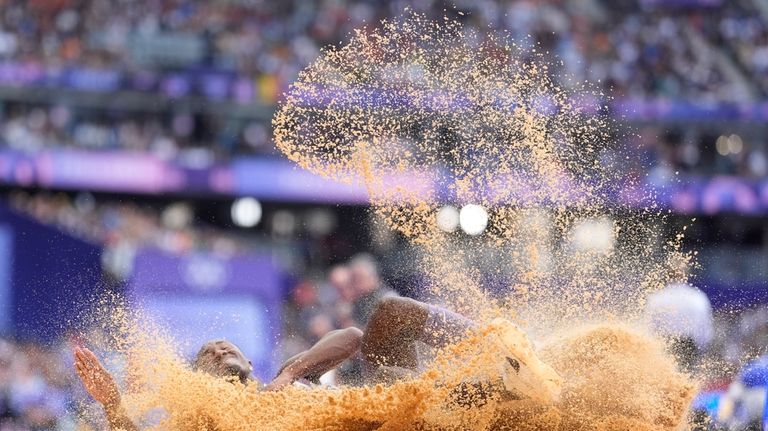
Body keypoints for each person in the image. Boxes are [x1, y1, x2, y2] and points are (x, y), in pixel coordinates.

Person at [76, 298, 561, 429]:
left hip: (393, 409)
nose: (219, 351)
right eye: (208, 354)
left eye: (227, 347)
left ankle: (501, 355)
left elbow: (351, 338)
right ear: (199, 378)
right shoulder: (202, 419)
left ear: (249, 360)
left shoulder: (285, 378)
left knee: (391, 312)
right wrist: (113, 404)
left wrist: (293, 372)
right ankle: (494, 390)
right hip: (380, 425)